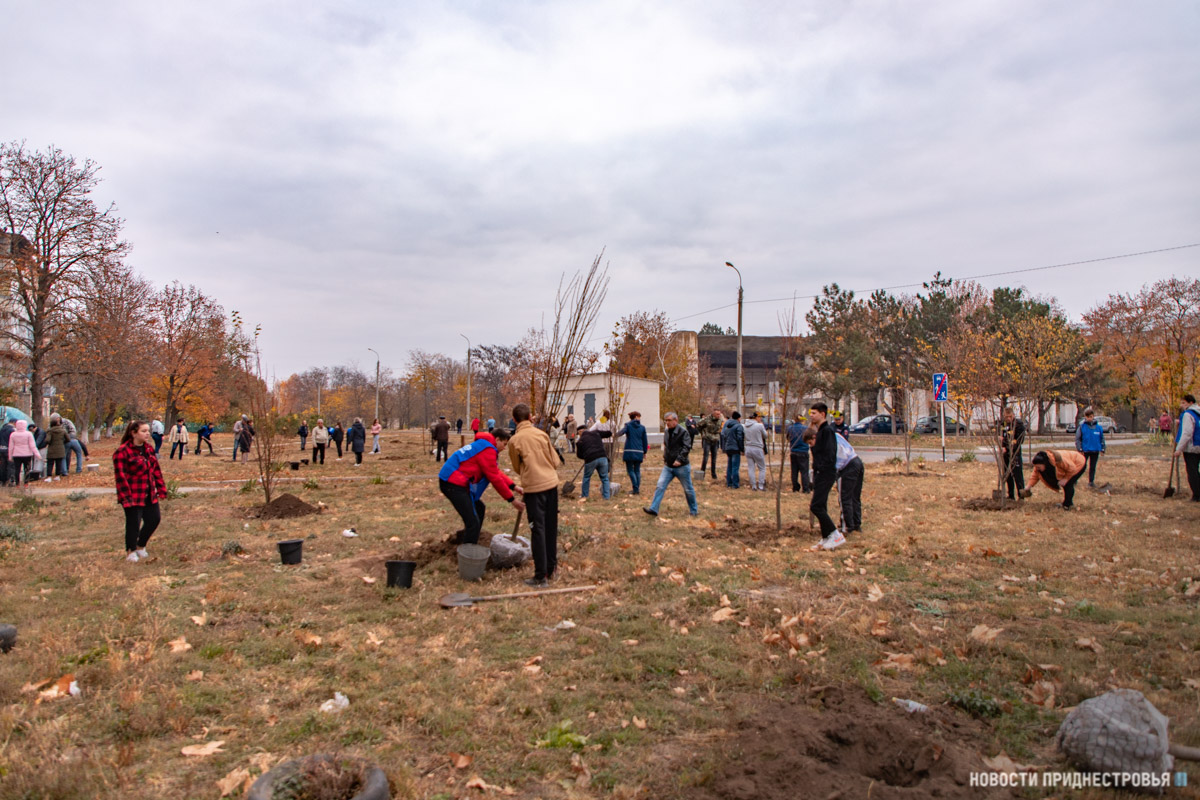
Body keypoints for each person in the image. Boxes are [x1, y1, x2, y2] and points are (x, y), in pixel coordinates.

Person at [439, 426, 522, 546]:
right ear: (497, 439)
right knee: (473, 522)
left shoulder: (484, 445)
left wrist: (514, 487)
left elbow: (495, 472)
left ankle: (467, 538)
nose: (504, 448)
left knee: (479, 509)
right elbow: (494, 478)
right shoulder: (488, 449)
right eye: (504, 444)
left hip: (453, 480)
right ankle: (469, 552)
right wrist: (512, 500)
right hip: (452, 483)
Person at [507, 404, 562, 586]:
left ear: (514, 420)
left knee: (537, 530)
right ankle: (552, 568)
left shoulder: (514, 441)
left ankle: (540, 576)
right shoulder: (542, 435)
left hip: (534, 488)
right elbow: (555, 461)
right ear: (530, 417)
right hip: (551, 484)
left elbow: (517, 467)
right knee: (550, 526)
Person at [112, 420, 168, 563]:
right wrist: (126, 497)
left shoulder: (148, 449)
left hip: (149, 492)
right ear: (133, 433)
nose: (147, 434)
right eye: (143, 431)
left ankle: (140, 545)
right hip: (133, 494)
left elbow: (156, 470)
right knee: (133, 523)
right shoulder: (123, 451)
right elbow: (121, 477)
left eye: (148, 431)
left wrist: (161, 489)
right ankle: (130, 551)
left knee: (154, 519)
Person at [643, 412, 698, 517]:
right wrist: (665, 458)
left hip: (681, 467)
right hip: (668, 466)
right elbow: (667, 446)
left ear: (675, 420)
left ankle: (694, 510)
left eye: (669, 420)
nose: (667, 423)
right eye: (666, 421)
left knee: (688, 489)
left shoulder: (683, 432)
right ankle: (654, 509)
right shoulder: (667, 432)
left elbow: (686, 447)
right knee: (660, 486)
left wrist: (679, 460)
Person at [806, 403, 844, 550]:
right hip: (820, 473)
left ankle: (835, 535)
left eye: (814, 413)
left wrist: (821, 469)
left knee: (816, 506)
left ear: (823, 414)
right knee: (821, 505)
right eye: (811, 413)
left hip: (826, 473)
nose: (811, 415)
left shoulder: (827, 431)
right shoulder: (820, 431)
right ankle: (826, 537)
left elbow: (829, 454)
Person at [1021, 450, 1087, 509]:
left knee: (1068, 483)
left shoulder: (1058, 460)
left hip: (1078, 463)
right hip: (1070, 466)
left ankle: (1067, 505)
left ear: (1045, 464)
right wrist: (1028, 486)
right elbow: (1035, 476)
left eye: (1039, 467)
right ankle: (1067, 503)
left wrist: (1066, 479)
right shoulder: (1039, 464)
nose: (1037, 468)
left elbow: (1072, 468)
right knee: (1065, 483)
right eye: (1036, 467)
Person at [835, 430, 864, 534]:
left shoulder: (826, 440)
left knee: (844, 497)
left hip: (847, 467)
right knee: (854, 496)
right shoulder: (836, 434)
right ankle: (856, 524)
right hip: (856, 461)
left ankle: (847, 526)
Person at [1174, 393, 1200, 502]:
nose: (1182, 405)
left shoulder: (1187, 414)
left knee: (1192, 471)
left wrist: (1179, 449)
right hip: (1198, 444)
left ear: (1190, 403)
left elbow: (1187, 433)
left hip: (1191, 447)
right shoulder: (1197, 413)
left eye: (1184, 403)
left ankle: (1197, 495)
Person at [616, 411, 649, 495]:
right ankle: (636, 488)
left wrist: (614, 435)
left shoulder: (628, 425)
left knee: (630, 470)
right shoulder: (642, 428)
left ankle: (635, 488)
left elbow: (621, 432)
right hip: (639, 451)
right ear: (636, 417)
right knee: (637, 470)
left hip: (629, 450)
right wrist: (645, 451)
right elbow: (645, 440)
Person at [575, 425, 612, 499]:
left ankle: (585, 495)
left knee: (586, 477)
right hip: (602, 457)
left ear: (580, 432)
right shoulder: (596, 433)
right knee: (605, 478)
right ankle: (606, 497)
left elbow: (579, 455)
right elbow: (609, 433)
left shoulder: (580, 441)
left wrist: (585, 456)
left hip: (590, 459)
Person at [1074, 407, 1105, 488]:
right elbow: (1078, 439)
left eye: (1091, 416)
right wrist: (1079, 449)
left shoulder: (1098, 428)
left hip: (1095, 450)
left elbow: (1102, 438)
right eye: (1087, 417)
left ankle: (1091, 482)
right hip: (1085, 450)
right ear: (1085, 417)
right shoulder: (1082, 427)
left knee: (1093, 467)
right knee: (1082, 466)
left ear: (1093, 416)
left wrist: (1103, 448)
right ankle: (1074, 480)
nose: (1089, 418)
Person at [1001, 407, 1026, 501]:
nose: (1008, 419)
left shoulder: (1019, 425)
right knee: (1008, 474)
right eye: (1006, 417)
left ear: (1013, 415)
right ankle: (1011, 495)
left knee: (1017, 475)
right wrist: (1001, 442)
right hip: (1005, 454)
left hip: (1015, 453)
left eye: (1010, 417)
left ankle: (1021, 496)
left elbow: (1019, 441)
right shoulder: (1004, 424)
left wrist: (1008, 448)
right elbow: (1003, 436)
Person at [7, 420, 37, 486]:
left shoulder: (13, 434)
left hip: (16, 454)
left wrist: (10, 456)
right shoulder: (28, 434)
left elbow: (11, 447)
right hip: (27, 454)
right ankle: (26, 483)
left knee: (17, 469)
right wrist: (37, 454)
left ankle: (17, 483)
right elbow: (32, 445)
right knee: (27, 469)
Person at [743, 412, 768, 491]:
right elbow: (765, 436)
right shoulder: (759, 425)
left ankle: (753, 485)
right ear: (756, 417)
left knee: (751, 468)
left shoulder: (745, 425)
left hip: (748, 448)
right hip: (757, 448)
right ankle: (761, 485)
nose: (761, 419)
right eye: (760, 417)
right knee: (762, 468)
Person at [787, 416, 812, 493]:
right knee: (804, 471)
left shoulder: (790, 428)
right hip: (803, 451)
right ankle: (805, 488)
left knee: (794, 471)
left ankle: (795, 487)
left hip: (793, 451)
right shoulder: (805, 428)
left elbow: (788, 438)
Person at [720, 411, 745, 489]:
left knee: (729, 466)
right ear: (738, 418)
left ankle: (729, 483)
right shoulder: (738, 426)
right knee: (735, 467)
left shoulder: (727, 426)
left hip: (728, 448)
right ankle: (735, 484)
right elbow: (740, 438)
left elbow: (723, 435)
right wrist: (742, 449)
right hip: (735, 448)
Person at [697, 409, 722, 480]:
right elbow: (698, 425)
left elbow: (720, 428)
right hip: (707, 440)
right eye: (717, 414)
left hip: (715, 440)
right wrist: (703, 433)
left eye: (719, 414)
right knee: (705, 457)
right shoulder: (706, 419)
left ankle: (713, 474)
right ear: (713, 414)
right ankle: (702, 473)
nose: (718, 415)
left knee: (714, 458)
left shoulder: (720, 420)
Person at [45, 414, 69, 480]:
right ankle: (57, 476)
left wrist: (48, 442)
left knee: (50, 463)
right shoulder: (63, 430)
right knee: (58, 463)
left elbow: (47, 440)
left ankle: (49, 476)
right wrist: (62, 442)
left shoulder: (50, 431)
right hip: (60, 449)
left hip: (52, 449)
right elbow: (68, 439)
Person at [0, 416, 13, 486]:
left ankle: (2, 480)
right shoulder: (12, 430)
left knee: (3, 466)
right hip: (9, 450)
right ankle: (9, 480)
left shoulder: (1, 430)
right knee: (10, 465)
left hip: (2, 449)